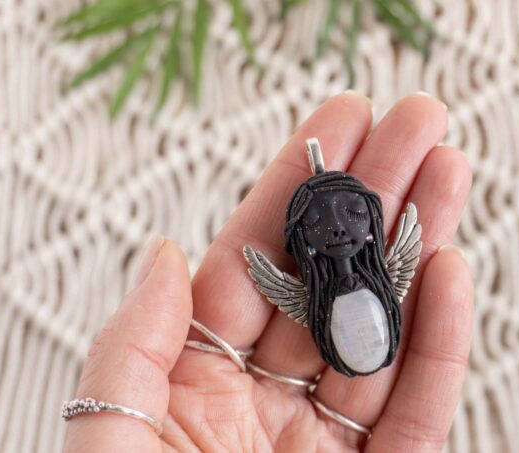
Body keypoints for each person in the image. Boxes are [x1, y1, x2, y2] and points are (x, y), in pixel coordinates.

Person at [63, 92, 474, 452]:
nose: (337, 228)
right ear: (304, 241)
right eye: (319, 222)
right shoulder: (319, 298)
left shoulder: (375, 281)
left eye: (352, 214)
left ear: (370, 223)